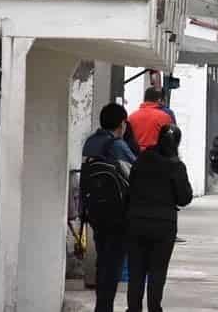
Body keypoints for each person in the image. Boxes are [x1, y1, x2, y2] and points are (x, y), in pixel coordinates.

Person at [126, 124, 193, 312]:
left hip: (137, 221)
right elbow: (184, 198)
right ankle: (154, 307)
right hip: (164, 224)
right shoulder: (176, 165)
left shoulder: (141, 160)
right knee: (157, 270)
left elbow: (130, 189)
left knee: (136, 271)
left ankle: (133, 308)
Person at [81, 103, 136, 312]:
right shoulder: (117, 146)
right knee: (112, 264)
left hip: (95, 211)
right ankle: (105, 307)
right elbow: (135, 172)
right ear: (122, 124)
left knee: (102, 260)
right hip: (117, 213)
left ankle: (101, 305)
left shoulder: (91, 142)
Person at [128, 87, 174, 152]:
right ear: (159, 100)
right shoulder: (165, 117)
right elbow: (171, 141)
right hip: (156, 158)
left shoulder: (131, 117)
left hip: (136, 158)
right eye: (164, 101)